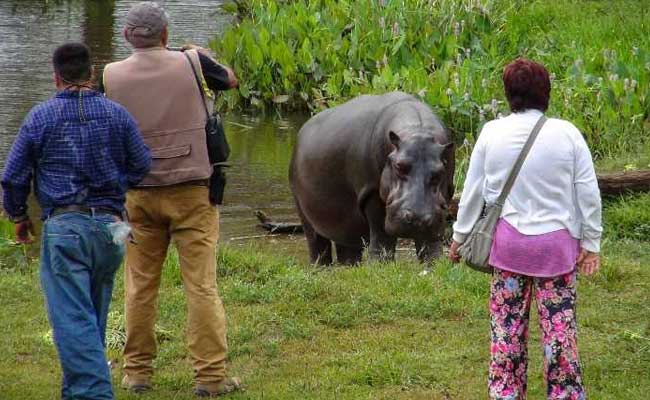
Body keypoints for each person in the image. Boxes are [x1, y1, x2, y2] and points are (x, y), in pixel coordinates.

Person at [101, 2, 240, 397]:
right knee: (201, 286)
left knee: (139, 286)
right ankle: (210, 378)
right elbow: (230, 80)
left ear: (128, 37)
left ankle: (137, 373)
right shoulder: (192, 61)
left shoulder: (109, 75)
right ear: (166, 34)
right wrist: (202, 55)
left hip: (137, 194)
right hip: (193, 191)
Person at [1, 42, 151, 400]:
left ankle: (93, 393)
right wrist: (117, 187)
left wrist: (19, 216)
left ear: (55, 77)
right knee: (91, 315)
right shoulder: (118, 115)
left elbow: (13, 177)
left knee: (71, 319)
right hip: (112, 230)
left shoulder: (40, 117)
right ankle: (77, 390)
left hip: (66, 228)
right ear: (92, 72)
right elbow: (142, 165)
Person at [448, 58, 602, 399]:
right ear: (545, 92)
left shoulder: (491, 133)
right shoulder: (568, 134)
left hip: (509, 250)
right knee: (560, 333)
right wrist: (591, 242)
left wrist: (459, 238)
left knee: (507, 330)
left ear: (508, 94)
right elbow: (588, 192)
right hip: (557, 252)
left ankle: (505, 393)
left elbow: (473, 192)